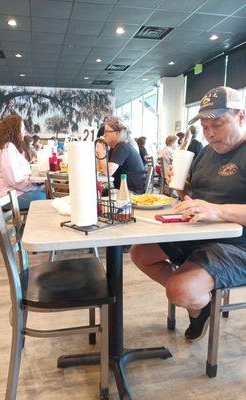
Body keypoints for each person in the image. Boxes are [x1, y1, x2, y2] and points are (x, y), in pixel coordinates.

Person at [130, 86, 246, 341]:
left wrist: (217, 211)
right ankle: (201, 302)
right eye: (205, 126)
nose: (210, 133)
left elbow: (213, 208)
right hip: (197, 231)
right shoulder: (206, 152)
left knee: (180, 289)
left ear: (241, 116)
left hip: (238, 244)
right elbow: (194, 198)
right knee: (140, 253)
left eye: (218, 123)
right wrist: (182, 188)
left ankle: (195, 298)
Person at [0, 115, 46, 210]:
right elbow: (13, 179)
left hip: (9, 194)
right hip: (10, 197)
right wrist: (31, 186)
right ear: (14, 130)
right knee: (48, 196)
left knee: (46, 191)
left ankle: (34, 223)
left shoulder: (4, 146)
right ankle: (36, 224)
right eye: (22, 128)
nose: (24, 132)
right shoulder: (7, 147)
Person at [96, 116, 145, 194]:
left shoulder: (122, 146)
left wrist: (101, 152)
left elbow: (108, 172)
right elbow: (101, 168)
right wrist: (99, 151)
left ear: (117, 133)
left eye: (106, 132)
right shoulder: (115, 148)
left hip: (132, 193)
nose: (104, 135)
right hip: (123, 189)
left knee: (98, 194)